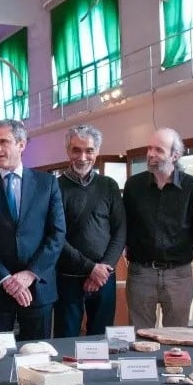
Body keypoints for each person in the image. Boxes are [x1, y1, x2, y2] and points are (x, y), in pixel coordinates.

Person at [0, 119, 65, 341]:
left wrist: (29, 274)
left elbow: (56, 235)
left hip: (37, 289)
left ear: (21, 144)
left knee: (38, 359)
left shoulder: (47, 184)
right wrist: (6, 279)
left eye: (4, 142)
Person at [122, 128, 193, 330]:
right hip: (141, 273)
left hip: (178, 274)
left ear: (175, 155)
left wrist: (179, 257)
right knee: (140, 336)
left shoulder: (191, 186)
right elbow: (126, 224)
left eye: (158, 150)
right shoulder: (134, 186)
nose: (151, 154)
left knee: (177, 337)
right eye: (149, 148)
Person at [53, 124, 127, 337]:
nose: (82, 156)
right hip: (67, 278)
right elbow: (55, 235)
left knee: (101, 341)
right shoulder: (54, 187)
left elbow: (120, 231)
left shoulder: (109, 186)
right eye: (76, 150)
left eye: (89, 150)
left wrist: (103, 269)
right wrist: (90, 268)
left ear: (97, 151)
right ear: (68, 151)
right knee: (66, 341)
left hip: (104, 278)